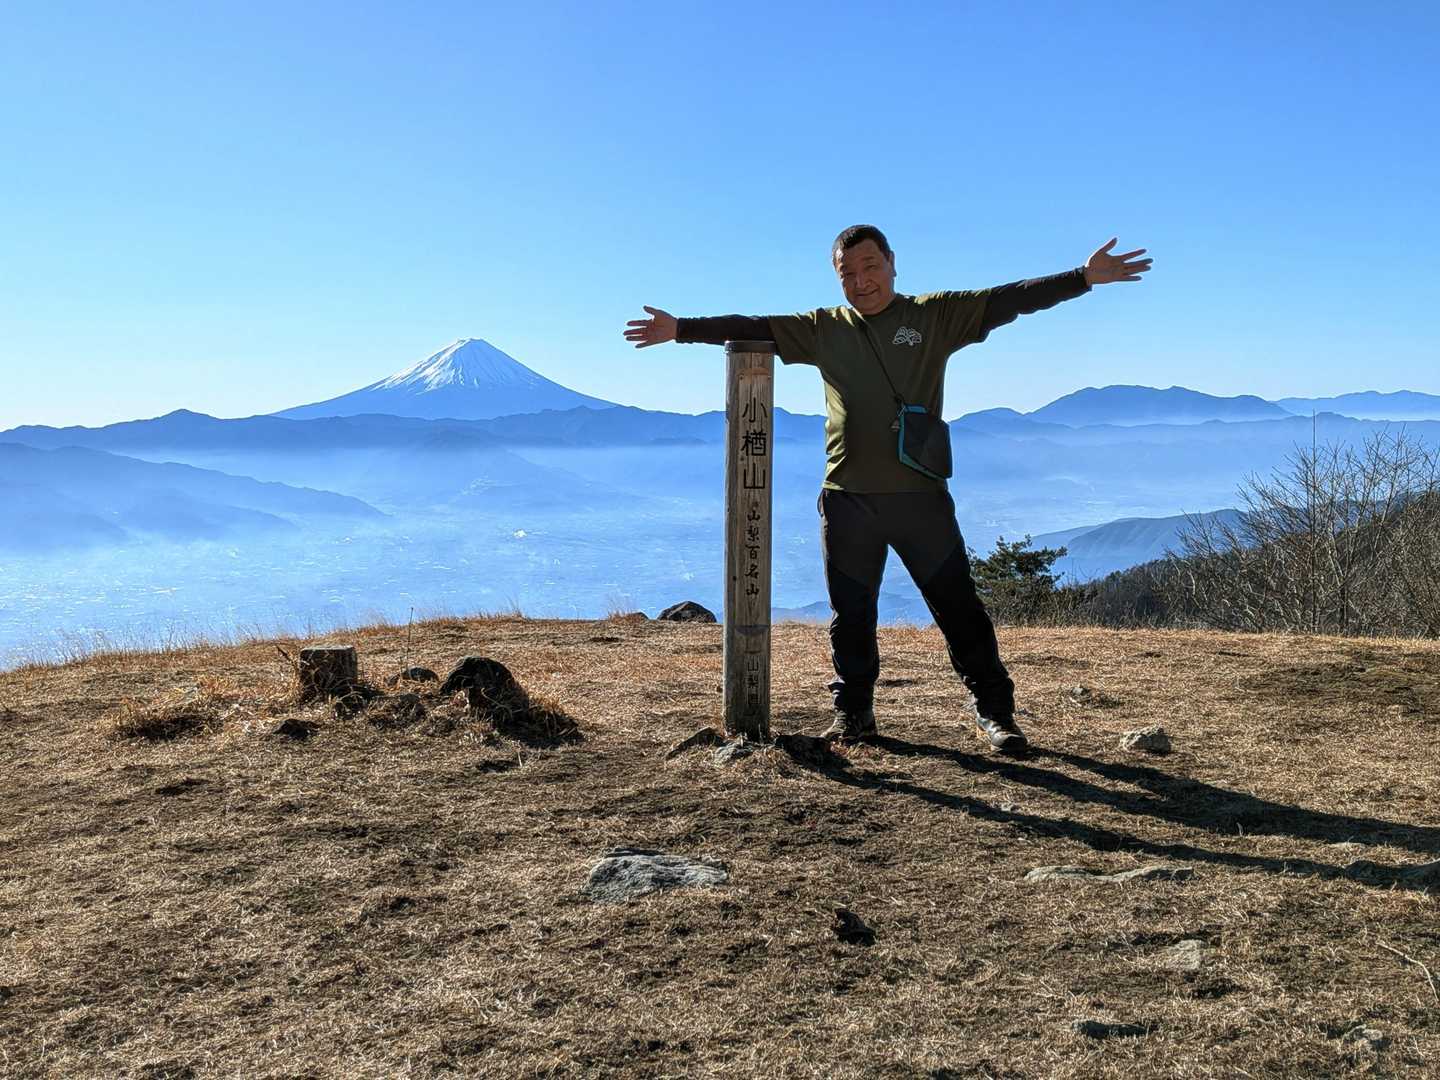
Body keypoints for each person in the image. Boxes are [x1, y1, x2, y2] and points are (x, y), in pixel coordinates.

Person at [623, 225, 1152, 752]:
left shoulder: (933, 316)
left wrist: (1082, 277)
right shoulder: (823, 328)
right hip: (847, 497)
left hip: (920, 497)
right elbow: (755, 326)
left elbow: (1007, 300)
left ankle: (996, 713)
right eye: (847, 273)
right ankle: (854, 714)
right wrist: (681, 329)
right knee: (850, 616)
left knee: (959, 609)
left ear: (892, 263)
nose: (861, 281)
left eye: (870, 266)